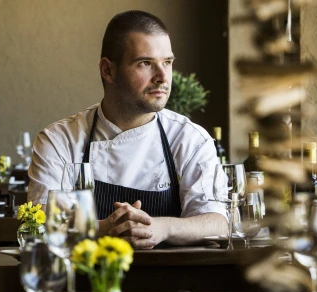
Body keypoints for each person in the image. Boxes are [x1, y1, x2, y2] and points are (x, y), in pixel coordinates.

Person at [28, 10, 227, 249]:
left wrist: (161, 227)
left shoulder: (190, 139)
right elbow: (40, 221)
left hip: (171, 281)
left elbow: (217, 222)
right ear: (108, 70)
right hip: (85, 281)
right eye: (145, 63)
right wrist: (110, 227)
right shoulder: (59, 140)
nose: (163, 77)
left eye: (167, 62)